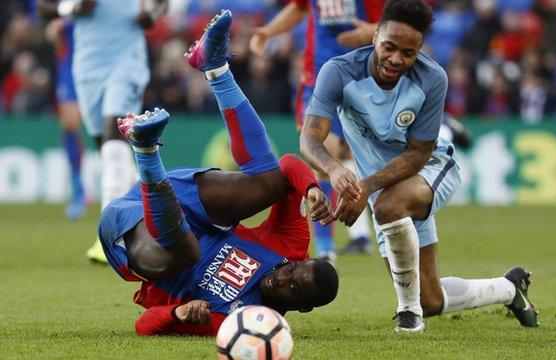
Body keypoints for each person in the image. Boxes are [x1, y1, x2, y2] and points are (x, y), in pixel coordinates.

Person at [300, 0, 538, 332]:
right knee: (431, 301)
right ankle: (510, 288)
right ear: (375, 37)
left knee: (388, 205)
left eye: (408, 53)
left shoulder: (431, 79)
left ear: (419, 51)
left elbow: (418, 155)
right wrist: (337, 171)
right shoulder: (338, 72)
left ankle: (408, 316)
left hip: (431, 168)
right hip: (380, 190)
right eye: (389, 47)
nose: (397, 58)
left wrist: (364, 187)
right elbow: (310, 139)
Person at [98, 10, 339, 336]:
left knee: (186, 252)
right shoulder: (290, 248)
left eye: (292, 288)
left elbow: (144, 325)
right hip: (190, 203)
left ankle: (147, 152)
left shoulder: (240, 322)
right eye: (293, 270)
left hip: (140, 240)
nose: (282, 277)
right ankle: (216, 68)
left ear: (301, 308)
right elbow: (287, 165)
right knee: (269, 183)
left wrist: (178, 312)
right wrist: (311, 187)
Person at [249, 0, 385, 262]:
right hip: (318, 76)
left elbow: (394, 24)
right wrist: (268, 31)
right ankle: (325, 247)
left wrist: (372, 31)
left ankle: (361, 235)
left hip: (362, 73)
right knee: (326, 151)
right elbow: (300, 7)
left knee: (350, 154)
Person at [37, 0, 167, 262]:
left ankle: (109, 238)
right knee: (108, 150)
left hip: (127, 60)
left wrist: (152, 14)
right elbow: (43, 7)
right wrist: (71, 9)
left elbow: (162, 3)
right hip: (87, 66)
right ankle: (151, 216)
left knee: (113, 139)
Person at [43, 16, 86, 220]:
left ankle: (125, 183)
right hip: (69, 69)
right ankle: (78, 190)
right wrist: (56, 28)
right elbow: (52, 32)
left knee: (109, 129)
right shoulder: (68, 10)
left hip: (96, 65)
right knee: (69, 125)